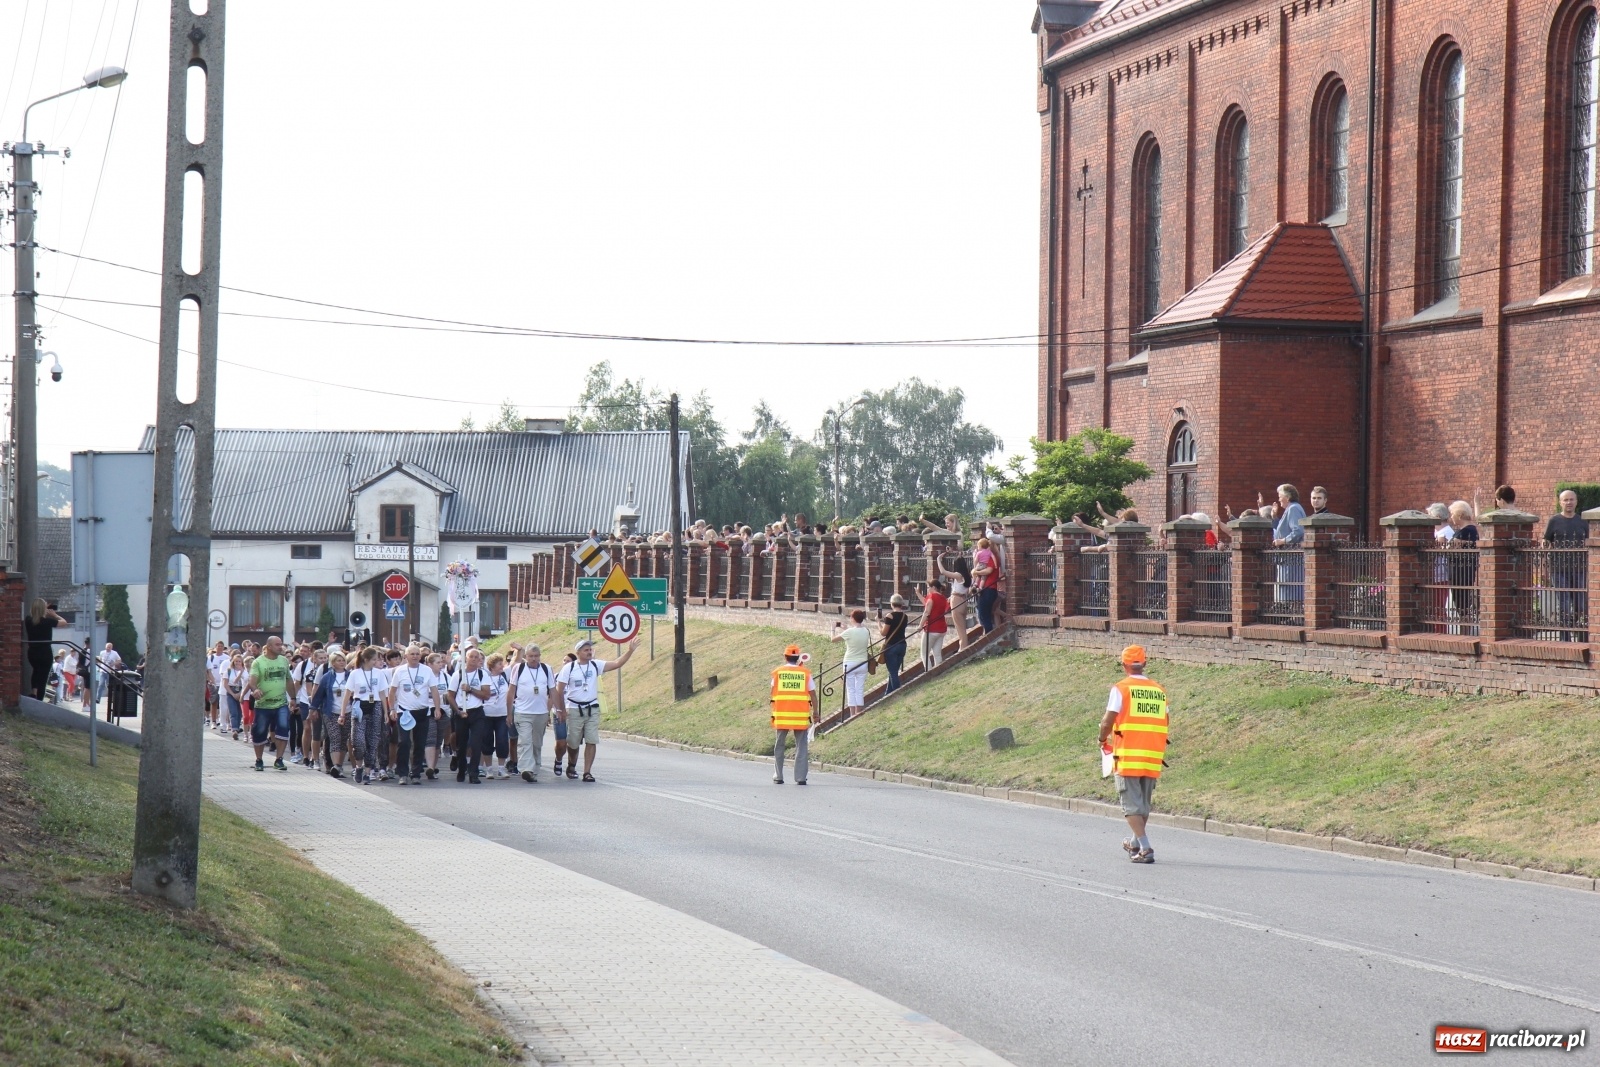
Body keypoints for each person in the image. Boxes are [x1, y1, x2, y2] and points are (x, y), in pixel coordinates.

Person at [1097, 645, 1168, 864]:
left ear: (1124, 665)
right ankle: (1134, 842)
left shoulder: (1121, 688)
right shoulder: (1158, 690)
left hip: (1128, 753)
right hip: (1153, 754)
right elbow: (1166, 720)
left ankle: (1145, 848)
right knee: (1143, 805)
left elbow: (1109, 720)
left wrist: (1102, 739)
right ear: (1145, 663)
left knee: (1131, 805)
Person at [554, 637, 635, 782]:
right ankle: (571, 765)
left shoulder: (595, 665)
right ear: (578, 652)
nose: (589, 652)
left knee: (591, 740)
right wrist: (561, 710)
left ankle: (587, 772)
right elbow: (559, 690)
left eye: (590, 649)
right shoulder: (569, 668)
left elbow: (617, 663)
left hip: (592, 708)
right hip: (574, 708)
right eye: (586, 650)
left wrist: (630, 651)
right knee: (573, 742)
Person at [388, 644, 439, 785]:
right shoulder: (400, 671)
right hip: (404, 712)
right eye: (412, 654)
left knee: (420, 743)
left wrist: (437, 708)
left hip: (422, 711)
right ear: (406, 656)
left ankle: (416, 773)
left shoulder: (427, 670)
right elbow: (392, 692)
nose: (415, 656)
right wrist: (392, 709)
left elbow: (434, 690)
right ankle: (402, 773)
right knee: (404, 742)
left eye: (417, 654)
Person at [509, 644, 556, 783]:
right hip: (522, 712)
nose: (534, 659)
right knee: (525, 741)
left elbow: (553, 691)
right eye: (530, 656)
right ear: (526, 657)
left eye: (536, 656)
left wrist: (557, 710)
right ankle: (526, 769)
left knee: (536, 743)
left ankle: (534, 770)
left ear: (540, 656)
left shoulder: (547, 669)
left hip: (540, 713)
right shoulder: (519, 669)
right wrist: (508, 713)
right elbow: (511, 691)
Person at [770, 644, 815, 784]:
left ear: (785, 657)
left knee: (779, 746)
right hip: (800, 717)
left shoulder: (777, 673)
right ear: (798, 658)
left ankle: (778, 776)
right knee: (801, 747)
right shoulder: (805, 673)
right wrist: (817, 712)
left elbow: (772, 693)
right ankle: (800, 778)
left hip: (782, 715)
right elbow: (813, 695)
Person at [248, 636, 294, 773]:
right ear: (268, 646)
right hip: (263, 704)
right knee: (260, 731)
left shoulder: (284, 661)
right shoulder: (258, 662)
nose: (281, 647)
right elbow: (252, 680)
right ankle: (259, 760)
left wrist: (293, 698)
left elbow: (289, 680)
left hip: (281, 703)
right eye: (277, 645)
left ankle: (279, 759)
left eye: (281, 644)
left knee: (284, 728)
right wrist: (255, 689)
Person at [452, 648, 491, 784]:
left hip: (477, 712)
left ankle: (473, 772)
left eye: (477, 657)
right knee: (461, 745)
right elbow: (450, 696)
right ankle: (461, 769)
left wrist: (471, 689)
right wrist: (457, 711)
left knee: (476, 743)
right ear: (466, 658)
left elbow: (486, 694)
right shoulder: (458, 674)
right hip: (461, 712)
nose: (474, 659)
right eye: (471, 657)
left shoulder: (483, 675)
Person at [311, 652, 350, 778]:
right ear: (333, 663)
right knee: (335, 737)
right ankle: (336, 766)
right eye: (338, 660)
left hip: (347, 711)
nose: (341, 662)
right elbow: (319, 694)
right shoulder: (327, 677)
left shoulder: (350, 676)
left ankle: (339, 766)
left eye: (343, 660)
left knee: (343, 739)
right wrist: (314, 708)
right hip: (330, 712)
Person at [830, 610, 872, 718]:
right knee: (859, 688)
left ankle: (852, 713)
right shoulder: (866, 631)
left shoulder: (849, 632)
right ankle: (859, 710)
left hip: (849, 663)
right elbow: (856, 634)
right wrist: (846, 629)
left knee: (850, 689)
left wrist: (833, 628)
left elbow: (833, 640)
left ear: (853, 618)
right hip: (862, 663)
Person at [480, 652, 513, 780]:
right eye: (499, 664)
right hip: (487, 714)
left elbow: (516, 661)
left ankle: (501, 768)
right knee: (487, 741)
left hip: (502, 715)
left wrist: (509, 714)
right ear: (492, 666)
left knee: (502, 740)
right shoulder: (484, 678)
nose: (502, 666)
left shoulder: (505, 676)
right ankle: (488, 769)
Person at [23, 599, 64, 702]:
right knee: (43, 676)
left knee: (36, 671)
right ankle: (39, 699)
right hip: (45, 652)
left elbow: (35, 618)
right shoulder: (47, 621)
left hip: (32, 652)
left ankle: (34, 692)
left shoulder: (28, 620)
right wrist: (54, 615)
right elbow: (64, 623)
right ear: (42, 609)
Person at [938, 554, 974, 650]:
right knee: (962, 626)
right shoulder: (967, 576)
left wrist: (938, 559)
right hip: (963, 600)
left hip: (956, 600)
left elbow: (943, 571)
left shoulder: (958, 575)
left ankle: (963, 647)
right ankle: (963, 646)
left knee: (960, 628)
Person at [971, 537, 1003, 633]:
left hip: (989, 589)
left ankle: (988, 633)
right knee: (983, 613)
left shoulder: (990, 558)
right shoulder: (987, 556)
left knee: (984, 613)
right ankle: (987, 632)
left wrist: (975, 571)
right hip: (985, 589)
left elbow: (989, 570)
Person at [552, 653, 576, 776]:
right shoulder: (556, 677)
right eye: (564, 660)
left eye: (568, 661)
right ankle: (558, 759)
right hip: (559, 713)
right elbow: (551, 695)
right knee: (561, 743)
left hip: (574, 712)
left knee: (573, 742)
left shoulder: (577, 676)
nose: (565, 663)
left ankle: (572, 767)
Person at [879, 596, 909, 692]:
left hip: (891, 646)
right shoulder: (905, 616)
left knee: (893, 672)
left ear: (892, 604)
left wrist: (878, 622)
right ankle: (888, 694)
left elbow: (884, 633)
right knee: (894, 671)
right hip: (902, 645)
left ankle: (897, 693)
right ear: (901, 604)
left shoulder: (890, 616)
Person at [920, 579, 950, 671]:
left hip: (931, 628)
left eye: (928, 587)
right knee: (937, 653)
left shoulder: (932, 596)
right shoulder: (943, 598)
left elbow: (926, 612)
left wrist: (920, 625)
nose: (928, 589)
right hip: (941, 628)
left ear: (933, 587)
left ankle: (929, 672)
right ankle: (939, 670)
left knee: (924, 653)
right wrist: (918, 593)